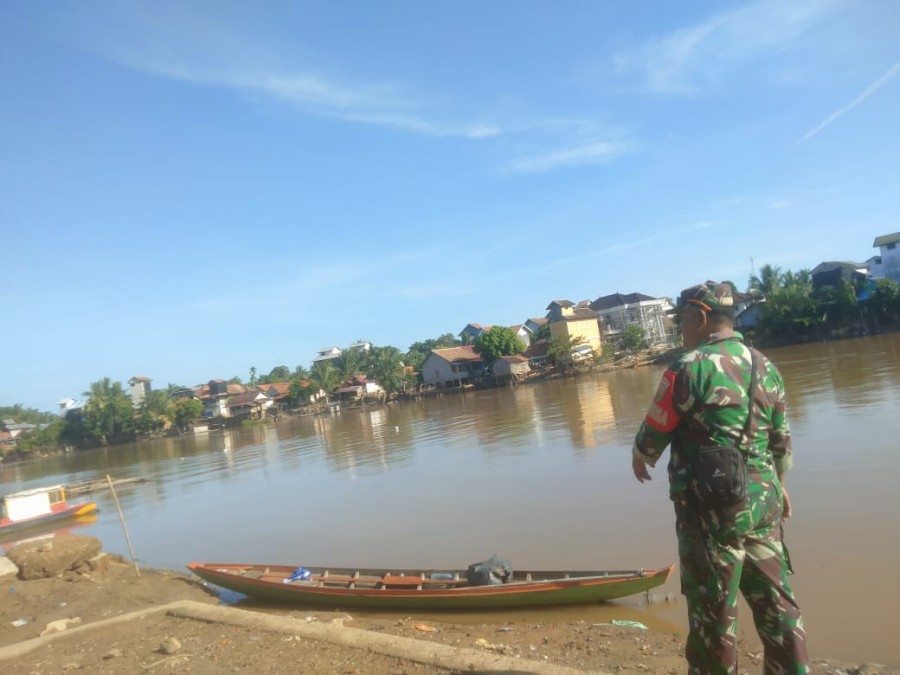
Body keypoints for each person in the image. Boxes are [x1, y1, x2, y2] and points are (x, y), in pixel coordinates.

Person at [632, 281, 808, 674]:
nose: (680, 327)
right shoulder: (766, 366)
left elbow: (652, 435)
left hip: (713, 510)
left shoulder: (688, 367)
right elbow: (781, 441)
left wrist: (640, 456)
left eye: (681, 319)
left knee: (714, 616)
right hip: (764, 502)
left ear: (701, 316)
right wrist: (779, 486)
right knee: (778, 606)